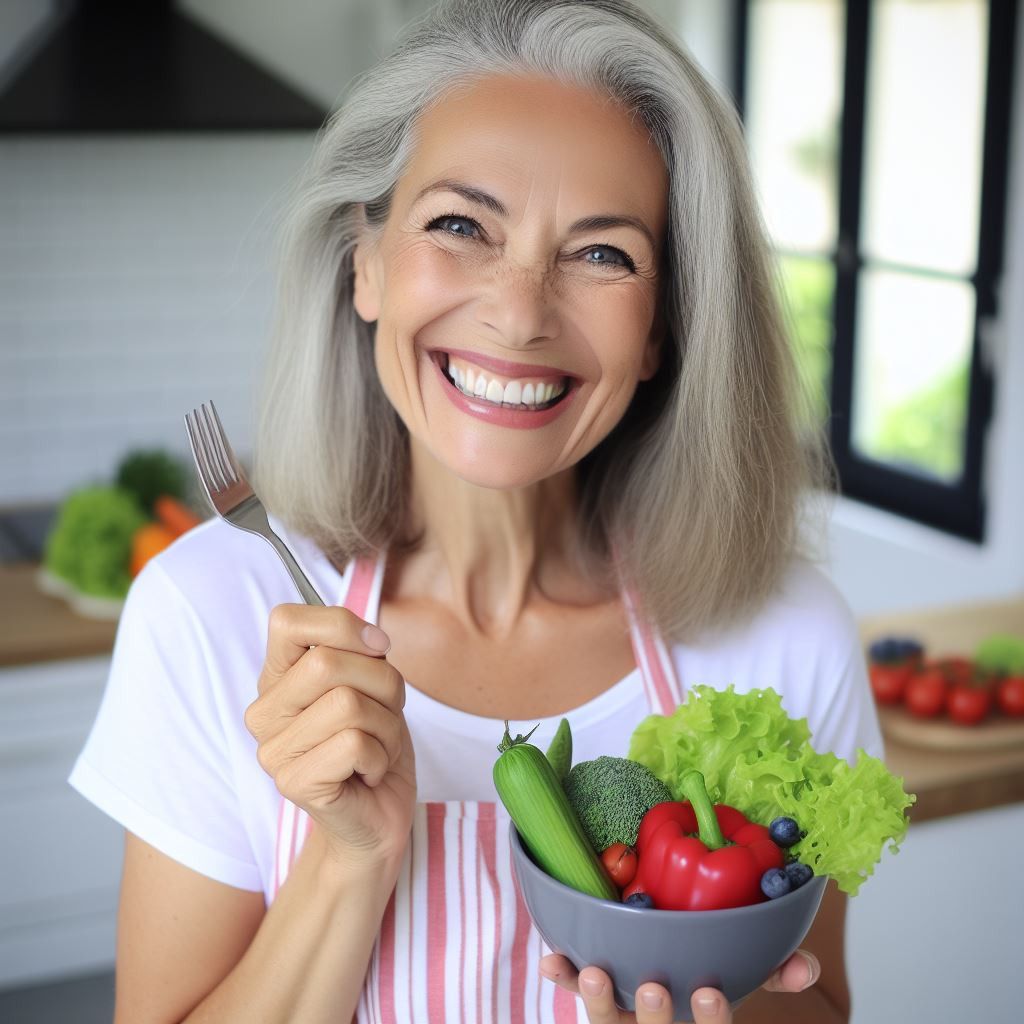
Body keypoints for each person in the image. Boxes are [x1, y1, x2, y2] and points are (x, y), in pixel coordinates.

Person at [69, 1, 884, 1021]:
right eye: (461, 225)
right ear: (364, 262)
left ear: (664, 330)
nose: (520, 309)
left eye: (602, 254)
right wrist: (347, 862)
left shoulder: (784, 634)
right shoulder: (209, 614)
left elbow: (819, 1004)